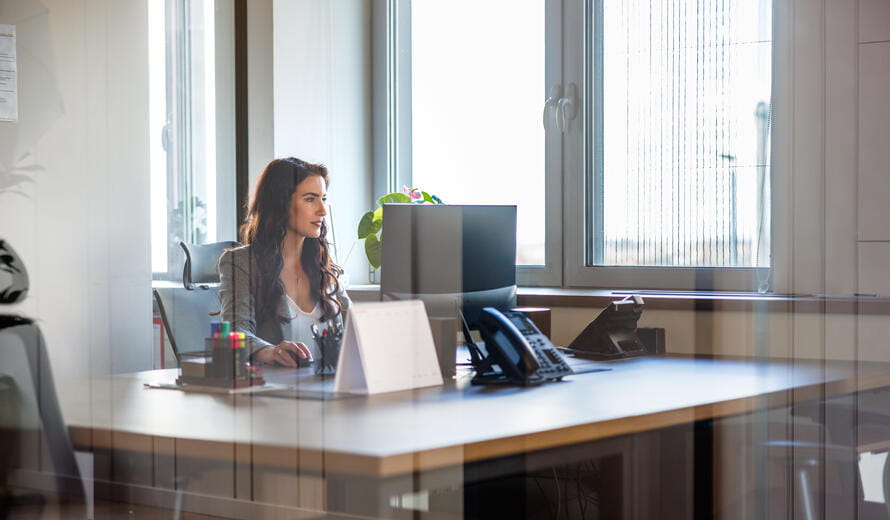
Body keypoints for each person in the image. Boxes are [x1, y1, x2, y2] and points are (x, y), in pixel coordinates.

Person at [218, 157, 350, 367]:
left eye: (323, 199)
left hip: (326, 389)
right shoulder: (240, 263)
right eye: (310, 199)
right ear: (280, 203)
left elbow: (355, 329)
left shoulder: (323, 267)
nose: (322, 210)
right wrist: (269, 351)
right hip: (271, 392)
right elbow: (235, 331)